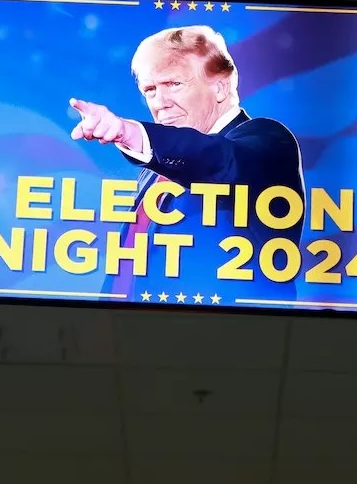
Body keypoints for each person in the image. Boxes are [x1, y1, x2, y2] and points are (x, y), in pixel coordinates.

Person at [68, 25, 304, 302]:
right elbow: (131, 262)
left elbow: (216, 160)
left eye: (173, 84)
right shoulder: (154, 171)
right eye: (150, 89)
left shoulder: (266, 141)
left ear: (220, 87)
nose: (160, 102)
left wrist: (129, 132)